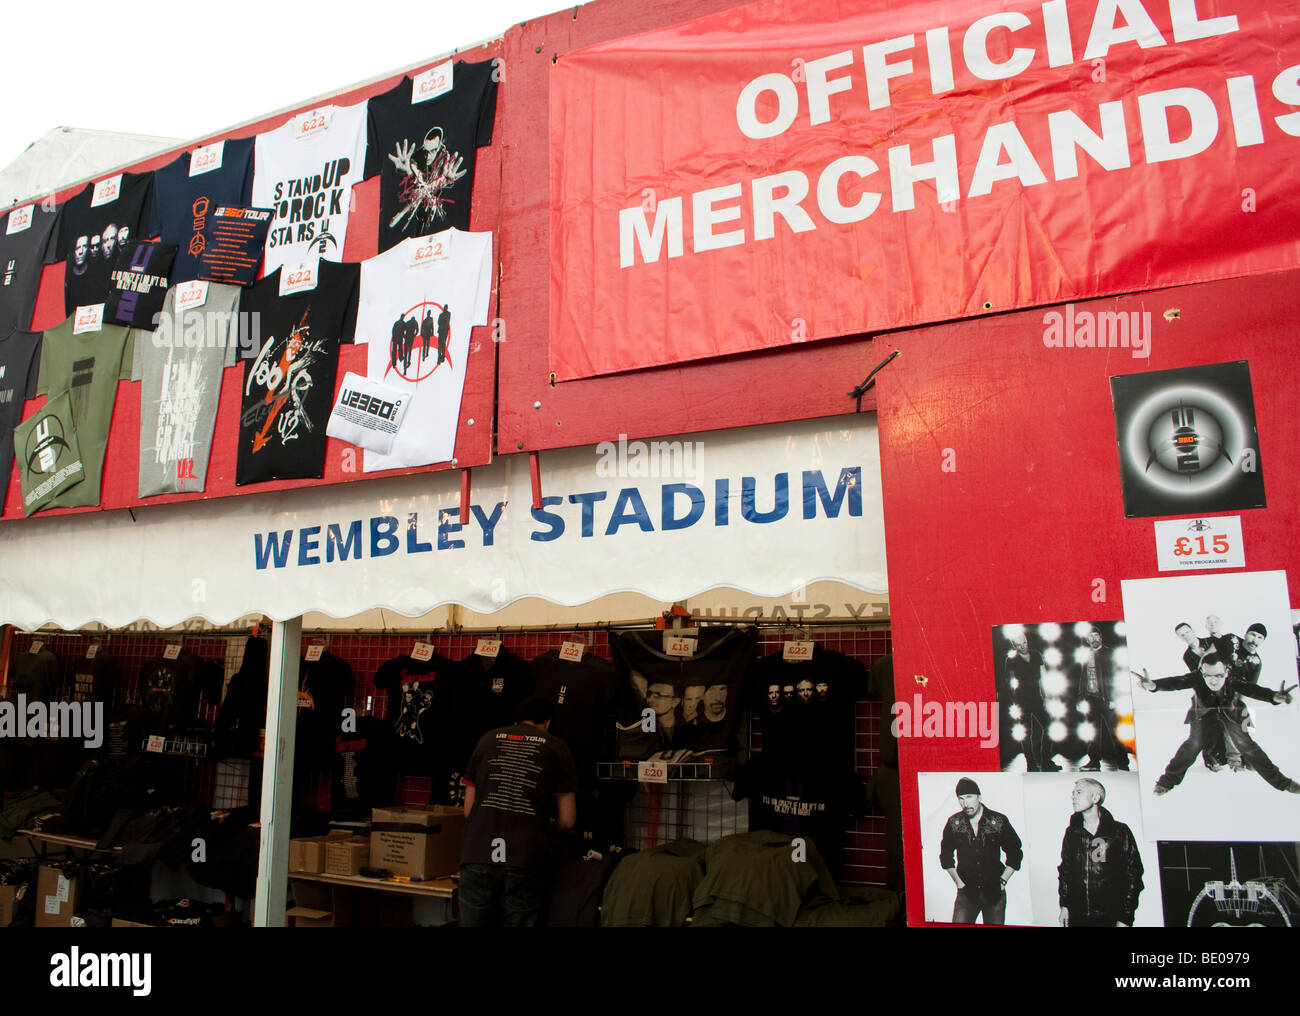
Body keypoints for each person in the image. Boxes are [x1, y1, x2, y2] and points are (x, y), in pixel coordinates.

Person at [458, 695, 578, 926]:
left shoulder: (487, 740)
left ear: (516, 721)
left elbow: (468, 810)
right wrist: (549, 824)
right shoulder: (556, 747)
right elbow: (568, 820)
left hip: (478, 852)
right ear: (548, 723)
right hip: (526, 856)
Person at [1133, 654, 1300, 796]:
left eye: (1218, 676)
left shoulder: (1233, 680)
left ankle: (1283, 783)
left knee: (1246, 745)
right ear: (1202, 673)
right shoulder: (1197, 677)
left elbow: (1253, 690)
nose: (1213, 681)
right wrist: (1154, 685)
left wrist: (1274, 697)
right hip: (1203, 714)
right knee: (1193, 744)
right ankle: (1166, 783)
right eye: (1208, 676)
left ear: (1226, 672)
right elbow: (1177, 682)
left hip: (1232, 714)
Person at [1058, 778, 1143, 927]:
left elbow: (1133, 875)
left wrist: (1125, 917)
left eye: (1079, 792)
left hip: (1109, 917)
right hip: (1078, 917)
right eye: (1073, 793)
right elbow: (1066, 871)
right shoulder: (1072, 833)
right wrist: (1065, 905)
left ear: (1096, 798)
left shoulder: (1119, 832)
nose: (1073, 797)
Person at [938, 777, 1023, 925]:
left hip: (994, 893)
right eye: (961, 799)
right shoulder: (954, 823)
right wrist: (959, 883)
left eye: (969, 797)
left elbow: (1015, 852)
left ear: (979, 797)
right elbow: (945, 856)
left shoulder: (998, 821)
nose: (965, 803)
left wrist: (1003, 880)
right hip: (967, 893)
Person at [1072, 628, 1130, 771]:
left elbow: (1114, 676)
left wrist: (1113, 698)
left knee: (1114, 732)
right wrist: (1080, 698)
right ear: (1087, 640)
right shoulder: (1085, 656)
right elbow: (1083, 678)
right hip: (1091, 699)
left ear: (1101, 637)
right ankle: (1094, 762)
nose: (1094, 638)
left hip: (1107, 698)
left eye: (1096, 635)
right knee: (1093, 733)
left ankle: (1123, 762)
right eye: (1090, 636)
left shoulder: (1109, 653)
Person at [1004, 633, 1058, 771]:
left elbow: (1044, 677)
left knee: (1050, 728)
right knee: (1027, 734)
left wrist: (1047, 697)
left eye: (1024, 642)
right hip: (1022, 702)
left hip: (1039, 700)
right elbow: (1010, 683)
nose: (1023, 646)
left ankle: (1046, 761)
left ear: (1027, 640)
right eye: (1019, 645)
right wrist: (1015, 702)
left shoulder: (1036, 655)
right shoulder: (1011, 660)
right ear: (1014, 646)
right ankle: (1031, 764)